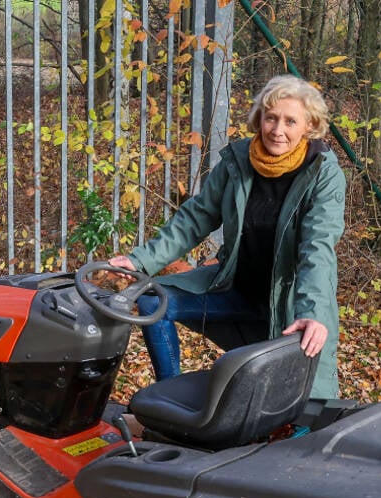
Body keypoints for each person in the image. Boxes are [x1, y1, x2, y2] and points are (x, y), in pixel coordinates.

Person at [109, 75, 346, 399]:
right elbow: (196, 217)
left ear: (309, 126)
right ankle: (167, 400)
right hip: (236, 292)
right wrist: (140, 260)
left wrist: (313, 313)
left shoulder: (323, 173)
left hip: (291, 305)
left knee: (298, 414)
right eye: (271, 117)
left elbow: (317, 247)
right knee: (154, 301)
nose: (278, 130)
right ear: (259, 118)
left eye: (291, 121)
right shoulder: (238, 162)